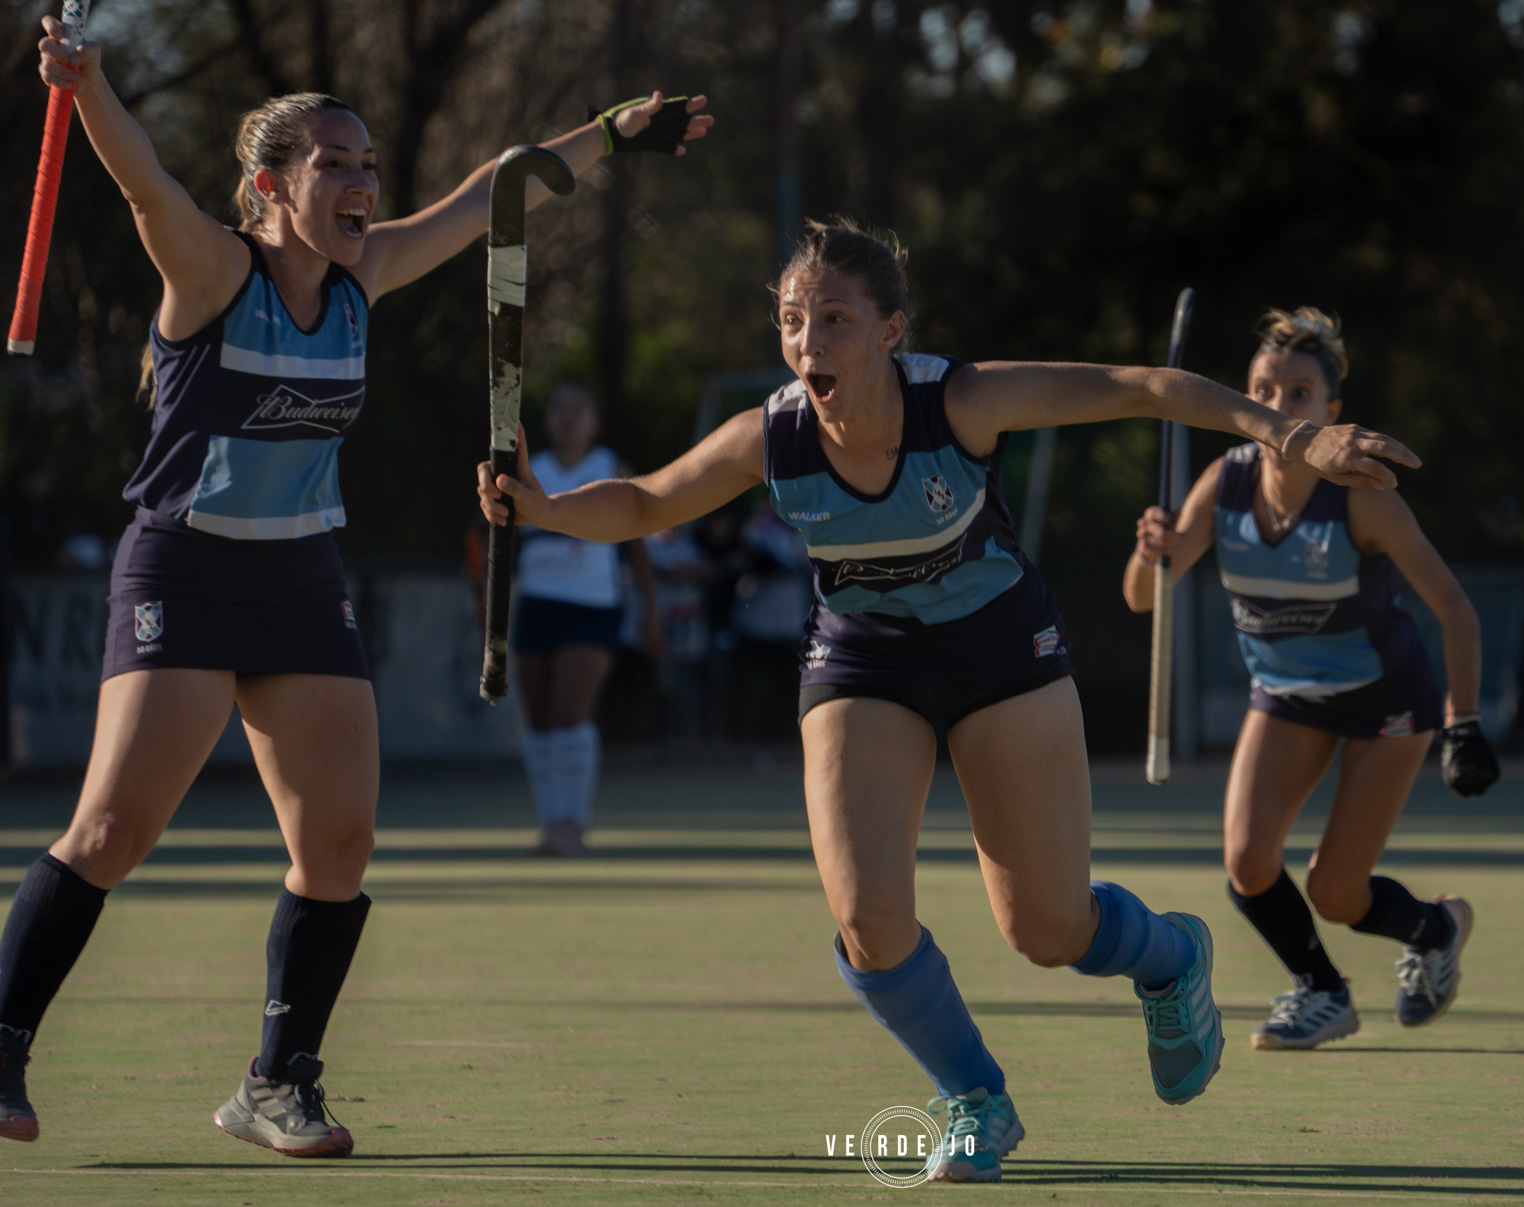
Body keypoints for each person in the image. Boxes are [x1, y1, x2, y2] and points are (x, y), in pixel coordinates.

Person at [478, 221, 1419, 1181]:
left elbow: (1135, 385)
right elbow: (644, 502)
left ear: (891, 330)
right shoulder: (776, 434)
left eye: (835, 319)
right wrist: (545, 508)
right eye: (794, 321)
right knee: (866, 916)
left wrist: (1293, 434)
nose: (809, 342)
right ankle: (976, 1099)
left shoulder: (960, 401)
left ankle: (1170, 957)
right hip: (861, 658)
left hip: (1001, 651)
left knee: (1045, 930)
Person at [0, 15, 709, 1157]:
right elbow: (144, 189)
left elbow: (494, 196)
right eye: (337, 163)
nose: (364, 183)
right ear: (272, 188)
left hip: (298, 577)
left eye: (371, 164)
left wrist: (615, 136)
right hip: (184, 565)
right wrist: (88, 88)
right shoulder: (214, 267)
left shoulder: (362, 275)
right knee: (115, 827)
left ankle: (278, 1080)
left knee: (338, 843)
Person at [1122, 308, 1501, 1053]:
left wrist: (1463, 723)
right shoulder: (1223, 483)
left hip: (1387, 700)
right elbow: (1143, 595)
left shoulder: (1362, 496)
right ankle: (1323, 992)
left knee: (1336, 892)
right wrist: (1151, 548)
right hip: (1290, 696)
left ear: (1331, 413)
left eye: (1298, 393)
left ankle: (1438, 927)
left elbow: (1456, 610)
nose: (1278, 403)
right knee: (1248, 859)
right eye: (1264, 388)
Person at [513, 383, 661, 857]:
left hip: (592, 606)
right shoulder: (529, 470)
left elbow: (639, 546)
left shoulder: (609, 469)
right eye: (558, 409)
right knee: (537, 719)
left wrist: (650, 613)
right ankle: (549, 820)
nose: (567, 419)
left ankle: (573, 822)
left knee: (569, 710)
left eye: (578, 410)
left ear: (594, 421)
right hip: (536, 604)